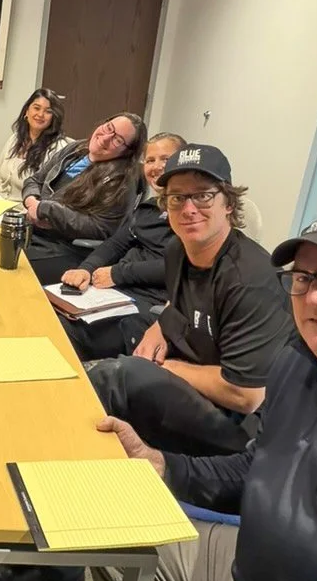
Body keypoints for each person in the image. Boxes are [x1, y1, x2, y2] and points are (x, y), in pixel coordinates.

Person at [93, 213, 317, 581]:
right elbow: (255, 468)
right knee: (106, 536)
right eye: (303, 279)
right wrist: (162, 465)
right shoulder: (297, 361)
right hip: (243, 570)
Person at [87, 144, 296, 457]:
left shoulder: (250, 280)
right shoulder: (179, 250)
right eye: (177, 197)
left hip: (240, 424)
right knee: (119, 328)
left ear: (228, 203)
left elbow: (246, 394)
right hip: (199, 366)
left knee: (121, 376)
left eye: (203, 195)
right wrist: (160, 326)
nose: (189, 208)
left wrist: (163, 366)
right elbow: (184, 301)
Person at [59, 132, 186, 360]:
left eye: (165, 159)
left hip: (151, 303)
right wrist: (86, 269)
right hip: (115, 293)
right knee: (53, 314)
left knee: (67, 335)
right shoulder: (149, 209)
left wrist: (118, 273)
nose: (156, 167)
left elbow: (179, 266)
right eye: (150, 160)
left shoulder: (190, 214)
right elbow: (117, 242)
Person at [21, 113, 147, 286]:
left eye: (118, 140)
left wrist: (47, 210)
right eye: (109, 128)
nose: (105, 138)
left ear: (127, 151)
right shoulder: (75, 149)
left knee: (12, 266)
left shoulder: (122, 181)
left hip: (65, 248)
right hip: (34, 231)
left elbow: (101, 227)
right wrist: (32, 203)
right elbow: (34, 180)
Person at [0, 88, 70, 201]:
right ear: (27, 111)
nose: (40, 114)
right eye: (36, 108)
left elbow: (50, 193)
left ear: (54, 117)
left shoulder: (57, 148)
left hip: (26, 212)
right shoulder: (16, 138)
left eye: (48, 111)